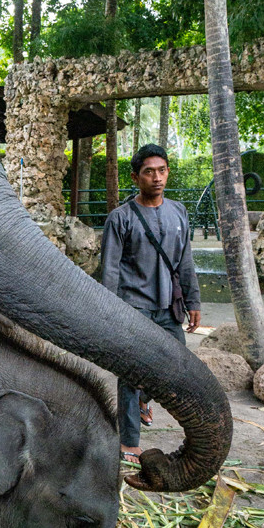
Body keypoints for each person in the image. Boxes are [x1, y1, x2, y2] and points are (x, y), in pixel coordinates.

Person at [100, 143, 201, 461]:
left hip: (168, 308)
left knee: (176, 368)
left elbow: (185, 261)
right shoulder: (120, 219)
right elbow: (110, 270)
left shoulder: (178, 212)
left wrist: (193, 300)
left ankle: (146, 398)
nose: (157, 177)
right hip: (133, 307)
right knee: (129, 374)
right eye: (149, 172)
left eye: (162, 170)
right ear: (136, 177)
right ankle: (129, 441)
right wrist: (109, 314)